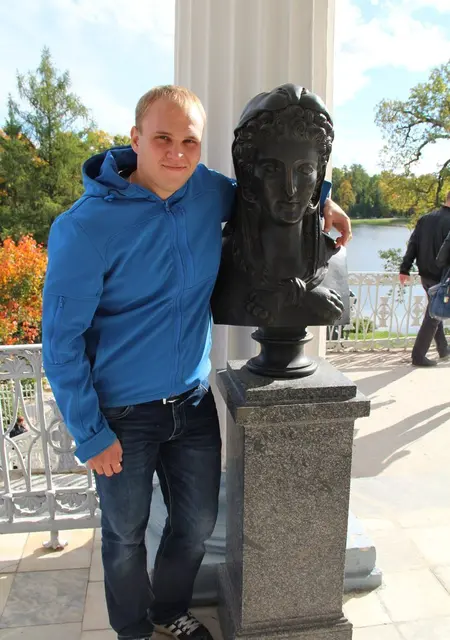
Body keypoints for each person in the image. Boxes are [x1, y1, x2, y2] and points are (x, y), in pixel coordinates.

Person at [42, 85, 352, 640]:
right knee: (125, 535)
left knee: (195, 526)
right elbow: (61, 342)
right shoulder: (84, 227)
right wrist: (90, 432)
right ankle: (133, 629)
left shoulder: (206, 192)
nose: (177, 153)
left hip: (191, 402)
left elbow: (268, 191)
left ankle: (168, 611)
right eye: (162, 138)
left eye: (189, 141)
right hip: (121, 415)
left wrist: (325, 200)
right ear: (135, 138)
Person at [399, 190, 450, 366]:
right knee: (433, 316)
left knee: (435, 310)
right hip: (442, 277)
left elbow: (413, 244)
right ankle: (418, 356)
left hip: (425, 276)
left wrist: (405, 268)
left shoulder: (425, 219)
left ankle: (443, 349)